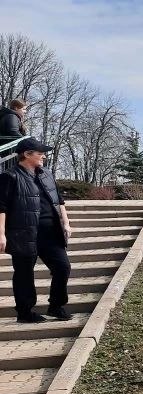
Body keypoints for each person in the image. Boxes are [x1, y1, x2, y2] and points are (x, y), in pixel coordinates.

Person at [0, 137, 74, 323]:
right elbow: (2, 207)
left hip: (51, 233)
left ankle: (56, 306)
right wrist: (1, 234)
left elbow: (59, 200)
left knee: (63, 267)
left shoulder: (47, 174)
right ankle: (25, 313)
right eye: (40, 153)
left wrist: (65, 222)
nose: (44, 157)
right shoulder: (10, 176)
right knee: (24, 273)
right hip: (24, 233)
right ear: (26, 154)